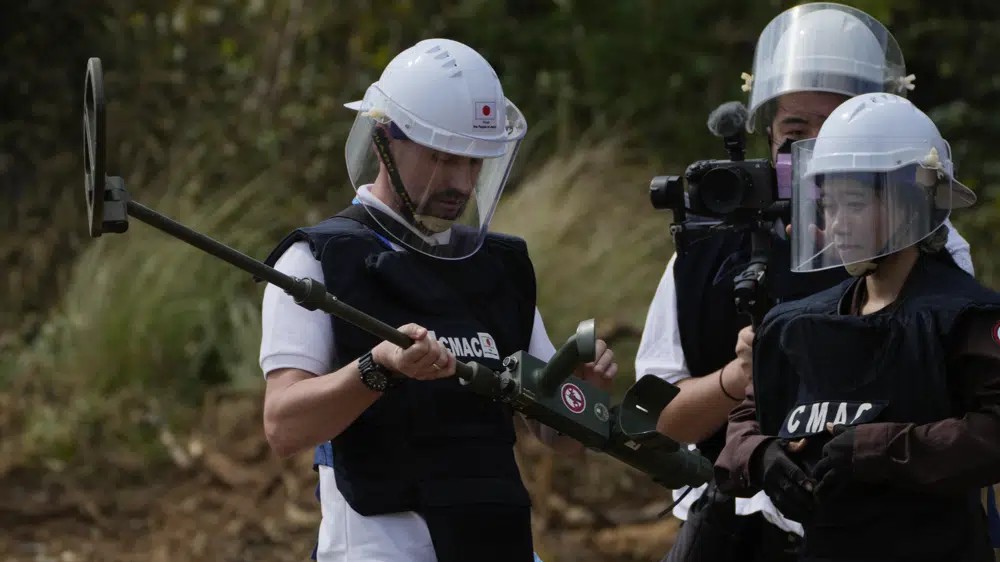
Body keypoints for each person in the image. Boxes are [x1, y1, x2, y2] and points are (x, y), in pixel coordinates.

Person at [635, 3, 976, 561]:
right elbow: (656, 417)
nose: (817, 149)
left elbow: (961, 397)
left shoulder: (927, 239)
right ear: (766, 136)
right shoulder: (703, 255)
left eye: (840, 124)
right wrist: (739, 376)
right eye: (795, 130)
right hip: (736, 527)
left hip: (892, 526)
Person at [257, 38, 617, 562]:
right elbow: (283, 427)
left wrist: (584, 394)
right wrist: (379, 368)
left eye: (474, 163)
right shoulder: (315, 261)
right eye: (442, 159)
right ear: (383, 140)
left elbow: (559, 438)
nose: (460, 182)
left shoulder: (499, 268)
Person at [714, 91, 1000, 562]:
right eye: (827, 204)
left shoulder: (962, 316)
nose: (836, 224)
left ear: (911, 203)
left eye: (854, 203)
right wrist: (761, 457)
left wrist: (880, 450)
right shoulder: (797, 324)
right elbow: (747, 417)